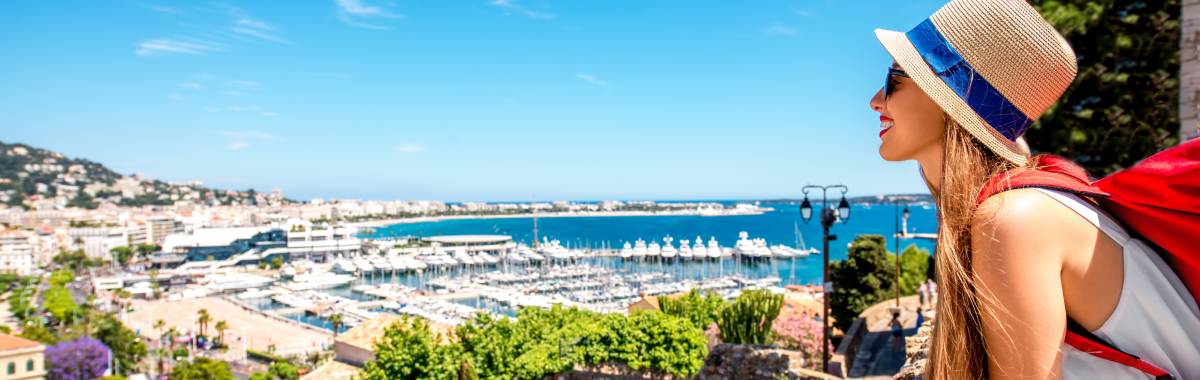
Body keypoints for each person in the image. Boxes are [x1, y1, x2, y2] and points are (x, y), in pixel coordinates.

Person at [869, 0, 1200, 378]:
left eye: (893, 80)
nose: (875, 100)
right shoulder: (1022, 207)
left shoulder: (1015, 218)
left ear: (949, 102)